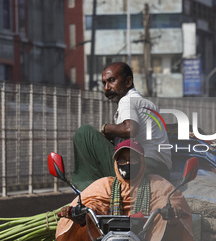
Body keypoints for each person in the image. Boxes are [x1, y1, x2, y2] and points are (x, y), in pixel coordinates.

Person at [49, 139, 199, 241]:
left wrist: (173, 213)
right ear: (116, 163)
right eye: (122, 160)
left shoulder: (157, 184)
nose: (127, 163)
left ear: (142, 161)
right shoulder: (105, 185)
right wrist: (76, 212)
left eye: (132, 159)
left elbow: (167, 202)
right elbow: (93, 203)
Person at [71, 62, 172, 191]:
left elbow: (130, 129)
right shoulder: (149, 104)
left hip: (141, 168)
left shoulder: (127, 100)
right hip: (162, 171)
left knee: (84, 133)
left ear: (128, 81)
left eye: (111, 81)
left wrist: (106, 128)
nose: (107, 87)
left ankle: (90, 190)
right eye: (104, 83)